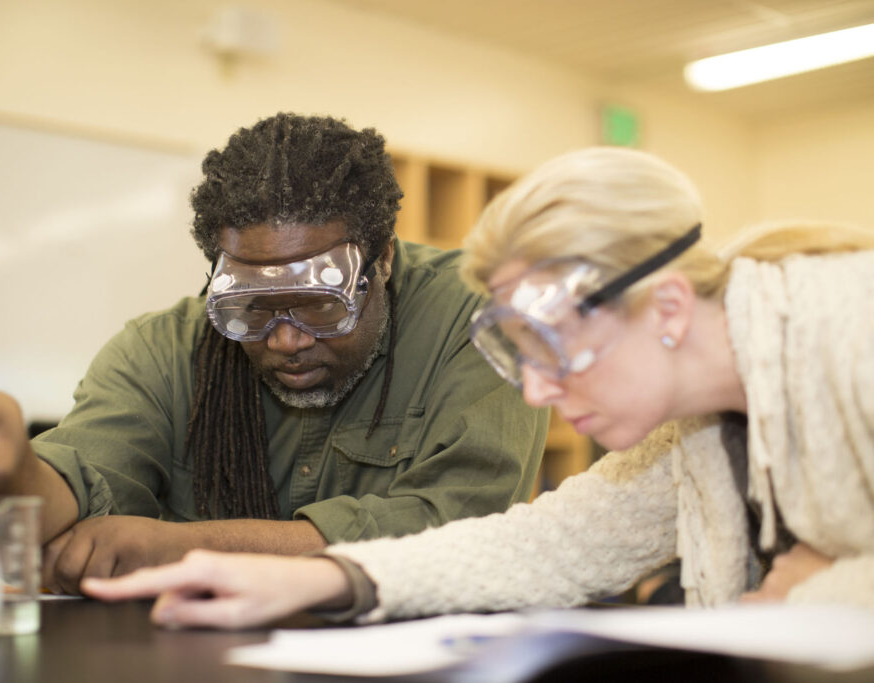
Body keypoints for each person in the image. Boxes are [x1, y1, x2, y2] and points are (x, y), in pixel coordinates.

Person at [82, 146, 874, 629]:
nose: (536, 391)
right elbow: (553, 543)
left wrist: (821, 588)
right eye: (517, 353)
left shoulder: (853, 324)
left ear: (665, 305)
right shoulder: (697, 431)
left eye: (556, 345)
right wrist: (321, 577)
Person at [0, 113, 548, 594]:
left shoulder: (479, 316)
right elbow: (75, 493)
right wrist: (11, 457)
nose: (284, 338)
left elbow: (469, 526)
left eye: (318, 304)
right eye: (249, 307)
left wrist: (191, 544)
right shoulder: (161, 348)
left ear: (385, 259)